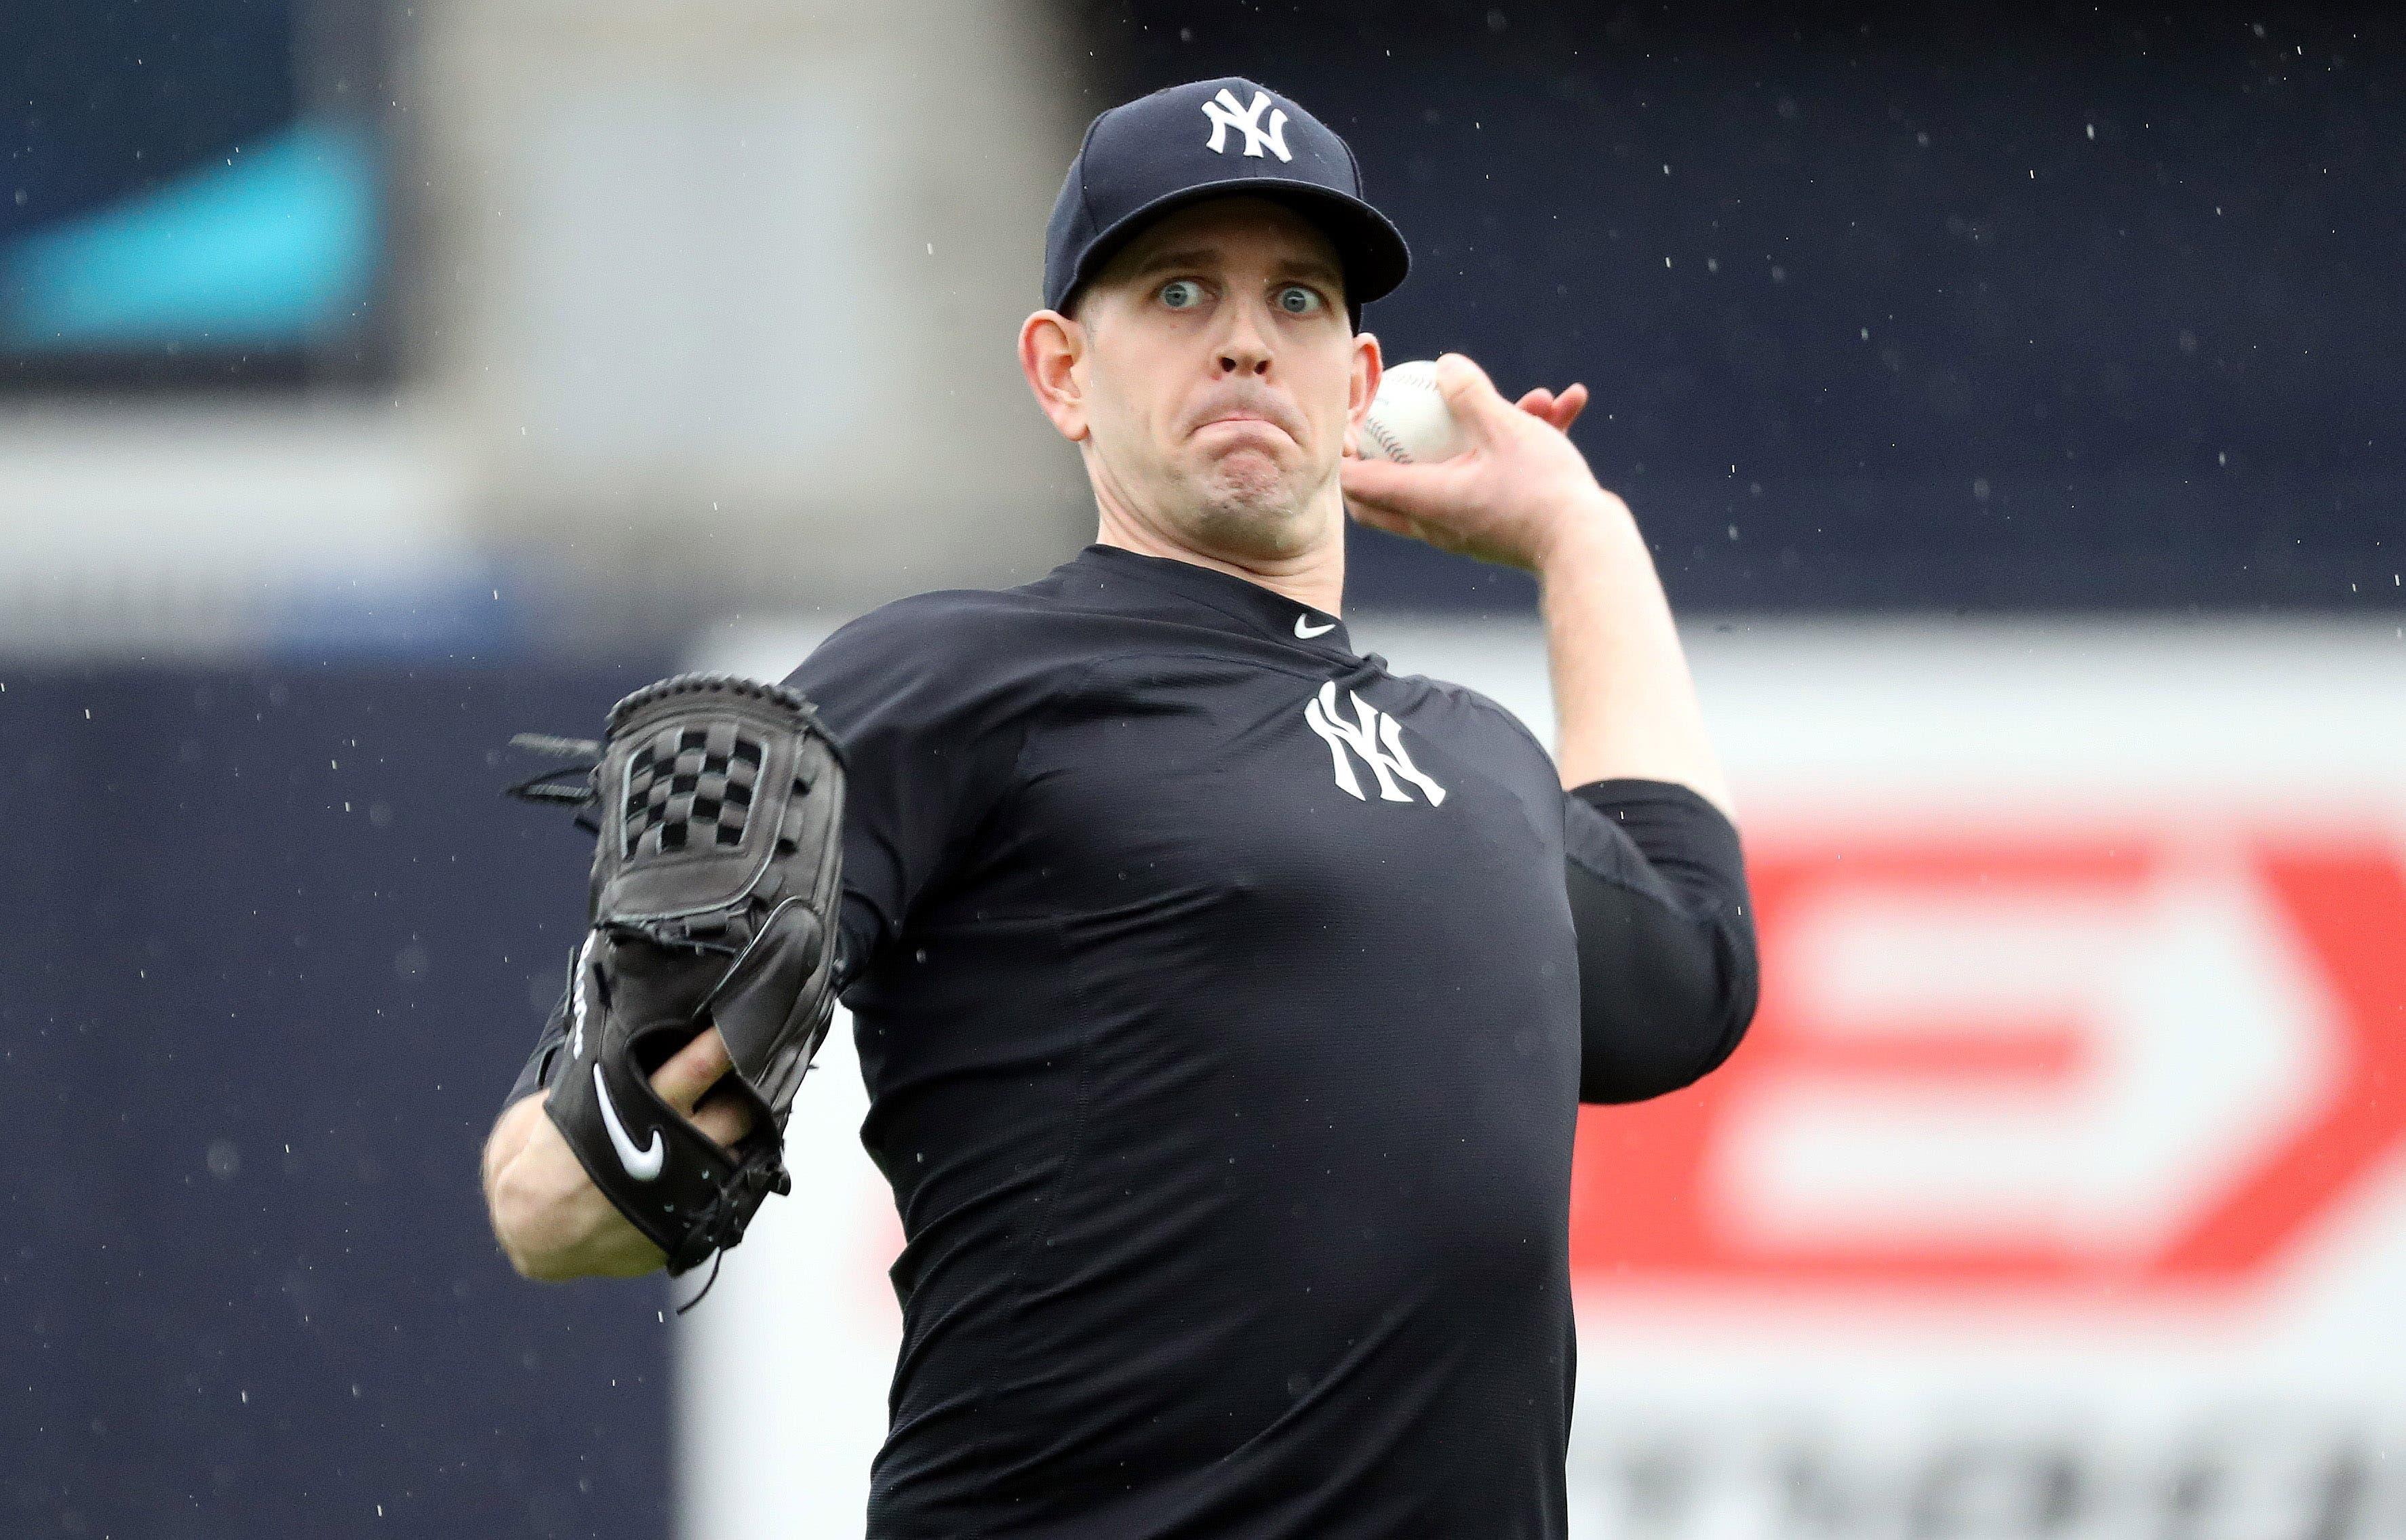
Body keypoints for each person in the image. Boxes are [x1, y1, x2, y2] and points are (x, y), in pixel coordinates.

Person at [482, 76, 1757, 1539]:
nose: (1241, 337)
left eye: (1296, 299)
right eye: (1175, 288)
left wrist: (1577, 534)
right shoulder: (960, 674)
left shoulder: (1474, 758)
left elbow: (1692, 964)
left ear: (1356, 387)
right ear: (1061, 372)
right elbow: (550, 1199)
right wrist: (615, 1132)